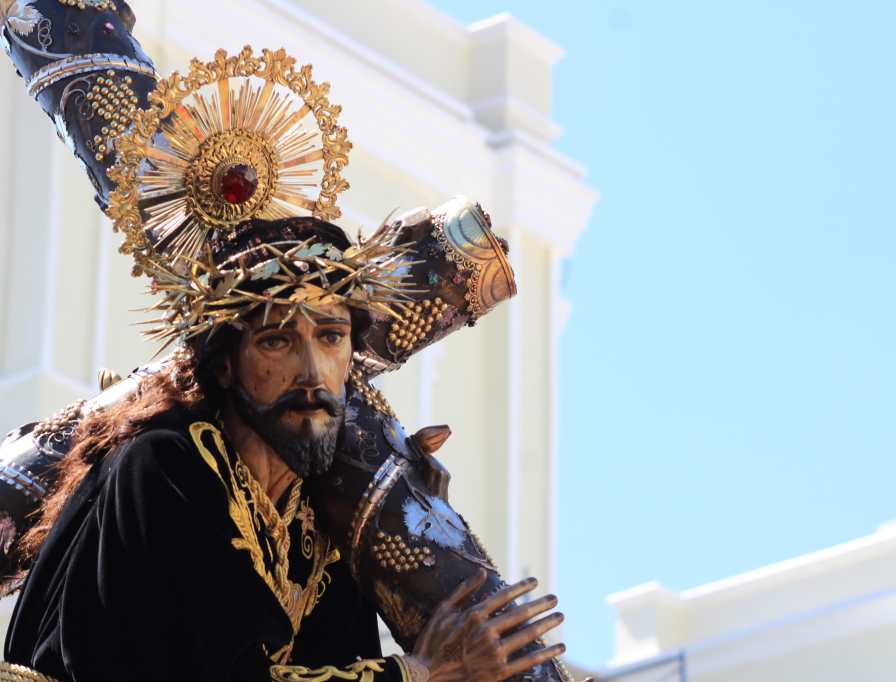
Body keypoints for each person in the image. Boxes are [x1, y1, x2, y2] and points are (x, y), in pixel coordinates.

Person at [3, 218, 565, 681]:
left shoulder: (314, 532)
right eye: (277, 340)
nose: (311, 372)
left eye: (330, 337)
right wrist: (422, 673)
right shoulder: (164, 468)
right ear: (226, 363)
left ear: (351, 361)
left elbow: (340, 663)